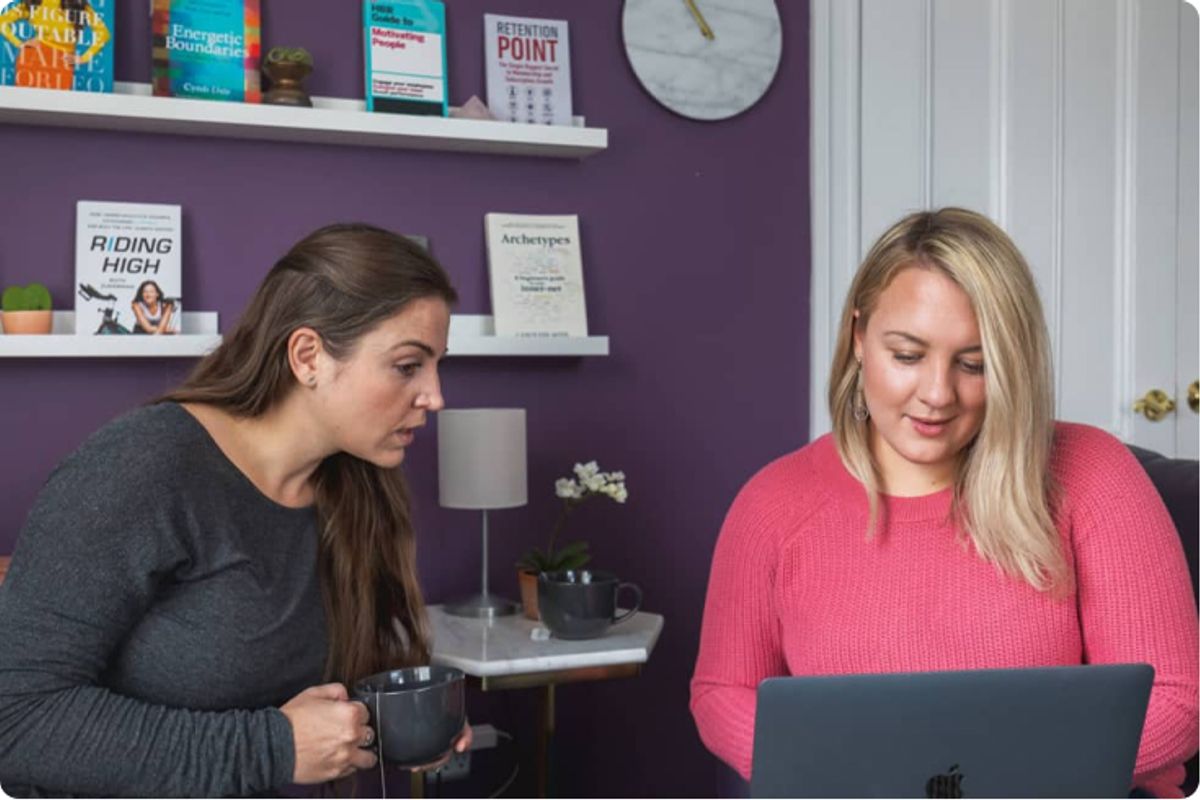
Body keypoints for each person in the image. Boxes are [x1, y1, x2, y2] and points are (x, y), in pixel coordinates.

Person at [690, 208, 1199, 797]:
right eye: (907, 355)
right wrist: (853, 775)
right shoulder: (773, 504)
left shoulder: (1095, 475)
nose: (937, 394)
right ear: (858, 338)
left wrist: (975, 779)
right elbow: (722, 692)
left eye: (974, 364)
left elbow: (1177, 700)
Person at [0, 223, 471, 796]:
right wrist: (273, 748)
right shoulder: (141, 467)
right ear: (308, 356)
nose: (436, 396)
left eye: (437, 365)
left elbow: (313, 708)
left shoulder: (356, 484)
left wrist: (398, 721)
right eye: (407, 366)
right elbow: (16, 719)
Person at [0, 0, 111, 91]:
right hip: (32, 60)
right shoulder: (33, 3)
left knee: (55, 110)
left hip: (62, 63)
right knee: (25, 109)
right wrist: (19, 43)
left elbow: (104, 34)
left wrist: (84, 57)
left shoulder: (79, 4)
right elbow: (2, 21)